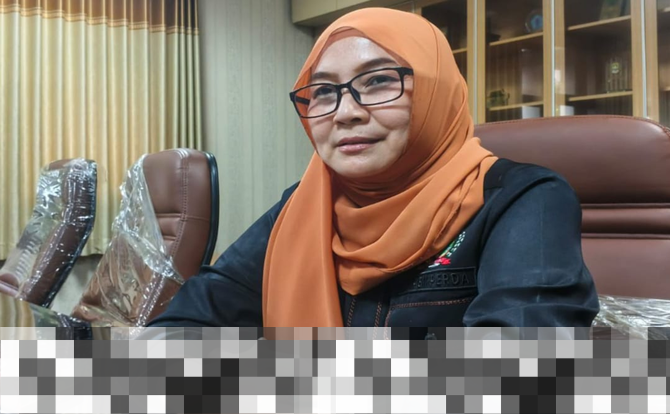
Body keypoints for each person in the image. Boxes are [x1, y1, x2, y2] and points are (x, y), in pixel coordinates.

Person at [148, 7, 598, 329]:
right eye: (323, 92)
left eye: (379, 80)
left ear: (436, 93)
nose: (345, 113)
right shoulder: (306, 204)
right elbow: (186, 323)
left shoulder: (523, 198)